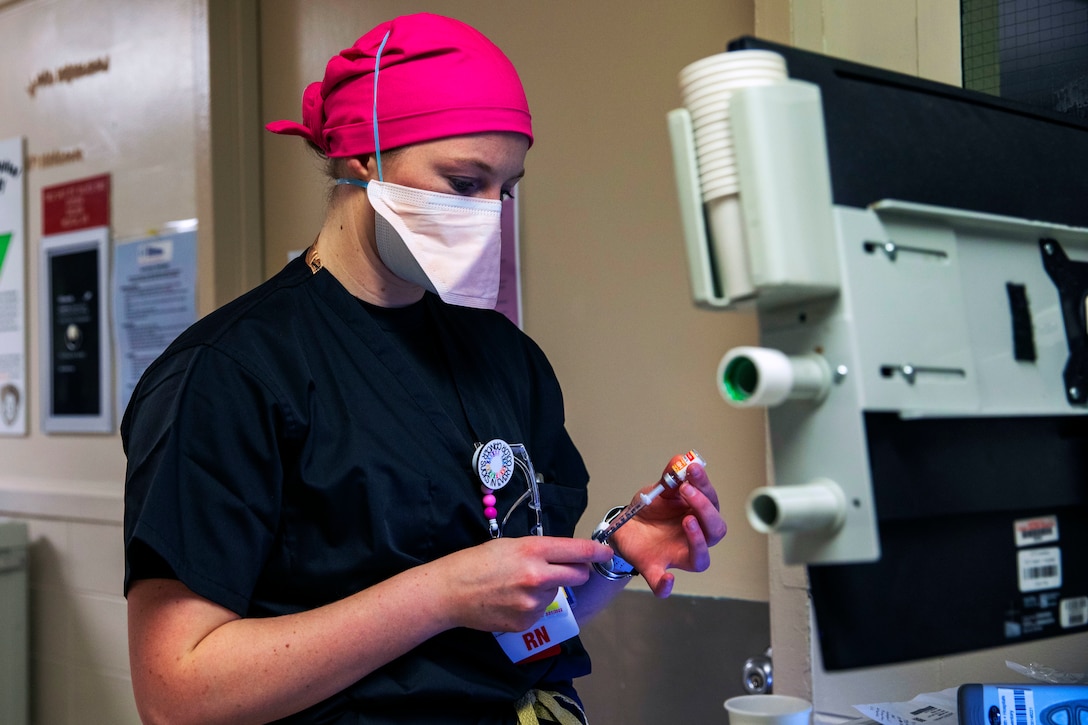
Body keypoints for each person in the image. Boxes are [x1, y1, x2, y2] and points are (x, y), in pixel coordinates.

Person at [123, 12, 726, 725]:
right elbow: (176, 693)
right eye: (464, 182)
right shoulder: (231, 375)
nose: (491, 213)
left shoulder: (506, 361)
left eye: (506, 189)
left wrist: (616, 555)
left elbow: (524, 623)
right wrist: (437, 594)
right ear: (361, 156)